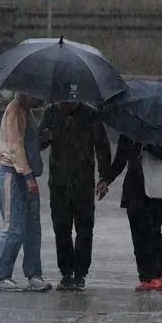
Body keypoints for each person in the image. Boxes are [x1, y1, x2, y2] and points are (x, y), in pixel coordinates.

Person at [39, 101, 111, 291]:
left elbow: (102, 147)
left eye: (70, 101)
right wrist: (45, 138)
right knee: (61, 229)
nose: (66, 105)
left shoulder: (91, 115)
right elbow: (37, 143)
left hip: (84, 182)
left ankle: (80, 274)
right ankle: (66, 273)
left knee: (84, 230)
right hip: (59, 183)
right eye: (63, 101)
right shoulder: (50, 112)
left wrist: (104, 178)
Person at [98, 134, 162, 291]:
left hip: (156, 190)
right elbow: (120, 159)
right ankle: (147, 276)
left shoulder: (161, 129)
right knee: (138, 234)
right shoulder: (130, 131)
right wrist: (106, 179)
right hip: (134, 188)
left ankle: (156, 274)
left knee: (153, 231)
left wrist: (149, 145)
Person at [0, 93, 52, 292]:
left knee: (32, 229)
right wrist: (27, 176)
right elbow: (15, 147)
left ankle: (34, 274)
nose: (41, 101)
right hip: (13, 174)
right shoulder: (15, 109)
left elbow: (29, 145)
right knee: (14, 227)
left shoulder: (27, 111)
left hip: (27, 174)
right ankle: (1, 275)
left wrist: (43, 140)